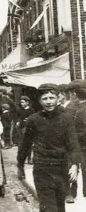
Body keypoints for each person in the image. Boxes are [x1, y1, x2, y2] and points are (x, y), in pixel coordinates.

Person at [17, 83, 81, 212]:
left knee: (60, 206)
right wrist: (20, 165)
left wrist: (75, 164)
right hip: (42, 167)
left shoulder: (66, 118)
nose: (49, 102)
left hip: (62, 168)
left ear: (58, 99)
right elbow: (25, 144)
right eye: (45, 99)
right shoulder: (34, 120)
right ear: (39, 101)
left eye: (52, 98)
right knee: (48, 207)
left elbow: (73, 144)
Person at [66, 80, 86, 203]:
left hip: (84, 143)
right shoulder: (69, 107)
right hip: (71, 144)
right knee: (70, 167)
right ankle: (70, 193)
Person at [17, 96, 34, 164]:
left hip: (28, 129)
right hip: (20, 128)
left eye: (23, 102)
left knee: (28, 144)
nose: (21, 104)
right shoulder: (20, 110)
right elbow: (18, 118)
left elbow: (32, 119)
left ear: (27, 102)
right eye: (21, 102)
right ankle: (20, 159)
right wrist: (18, 121)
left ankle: (29, 158)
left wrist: (27, 120)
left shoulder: (31, 110)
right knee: (20, 143)